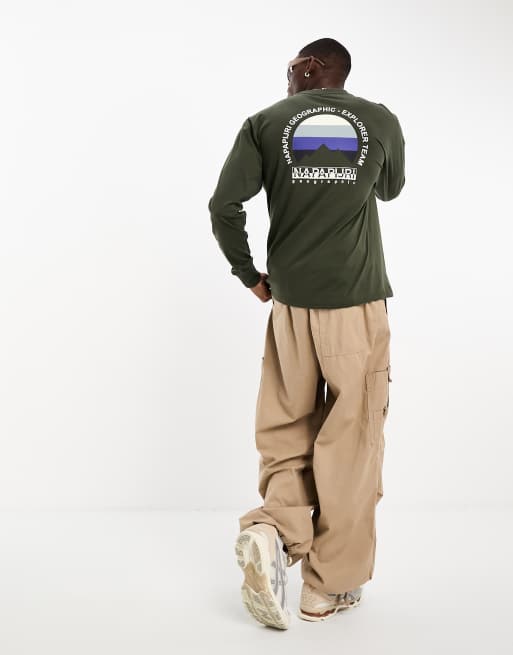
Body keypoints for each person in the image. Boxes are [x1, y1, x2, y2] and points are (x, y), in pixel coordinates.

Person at [208, 37, 405, 629]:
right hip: (355, 302)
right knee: (351, 440)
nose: (287, 77)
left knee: (287, 427)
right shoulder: (379, 120)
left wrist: (249, 275)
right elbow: (390, 188)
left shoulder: (265, 123)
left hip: (290, 306)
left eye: (292, 67)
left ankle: (272, 530)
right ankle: (327, 587)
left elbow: (223, 205)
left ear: (314, 66)